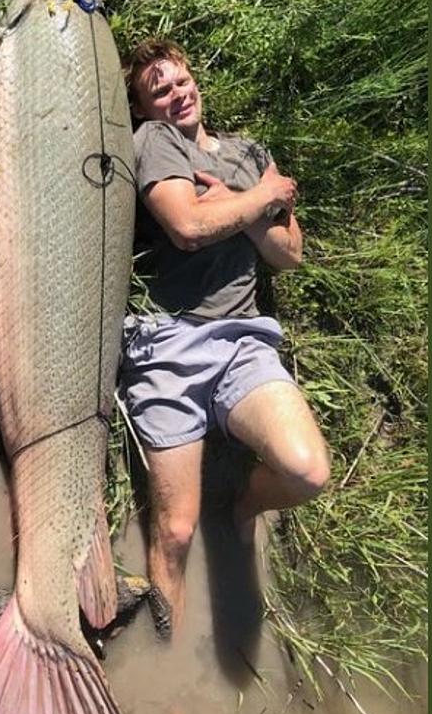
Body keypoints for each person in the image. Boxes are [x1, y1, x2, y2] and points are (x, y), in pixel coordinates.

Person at [118, 38, 331, 633]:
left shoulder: (248, 153)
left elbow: (289, 255)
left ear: (195, 82)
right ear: (143, 108)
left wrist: (240, 200)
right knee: (176, 531)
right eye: (157, 91)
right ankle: (168, 675)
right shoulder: (154, 142)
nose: (174, 95)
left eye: (179, 82)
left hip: (245, 342)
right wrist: (263, 199)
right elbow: (187, 225)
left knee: (308, 472)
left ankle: (243, 503)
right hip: (169, 343)